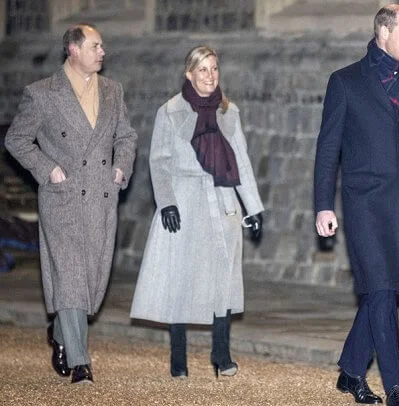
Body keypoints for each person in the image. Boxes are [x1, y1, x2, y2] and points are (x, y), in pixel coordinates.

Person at [314, 4, 399, 406]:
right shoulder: (345, 82)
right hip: (364, 205)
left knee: (383, 290)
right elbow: (327, 151)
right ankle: (396, 387)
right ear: (384, 33)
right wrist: (323, 205)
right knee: (380, 289)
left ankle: (352, 368)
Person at [4, 23, 137, 384]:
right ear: (74, 50)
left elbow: (126, 136)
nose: (103, 52)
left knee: (91, 282)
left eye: (102, 46)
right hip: (63, 200)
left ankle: (61, 333)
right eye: (96, 46)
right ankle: (81, 363)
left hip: (101, 197)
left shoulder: (113, 91)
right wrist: (47, 168)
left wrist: (121, 167)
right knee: (71, 278)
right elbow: (16, 140)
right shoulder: (42, 94)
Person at [130, 46, 264, 379]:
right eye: (202, 70)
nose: (210, 76)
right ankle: (178, 358)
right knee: (182, 279)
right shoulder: (170, 111)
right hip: (185, 200)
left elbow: (242, 161)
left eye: (214, 68)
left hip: (222, 201)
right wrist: (167, 202)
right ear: (189, 73)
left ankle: (222, 354)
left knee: (224, 277)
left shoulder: (229, 112)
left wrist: (254, 208)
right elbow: (159, 161)